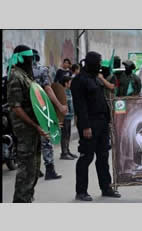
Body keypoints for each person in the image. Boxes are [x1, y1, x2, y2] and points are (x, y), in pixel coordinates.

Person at [71, 51, 121, 201]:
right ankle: (81, 191)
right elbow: (80, 106)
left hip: (102, 123)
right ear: (92, 63)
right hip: (89, 124)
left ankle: (106, 187)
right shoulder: (79, 80)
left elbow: (102, 99)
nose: (100, 66)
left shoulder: (96, 78)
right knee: (86, 157)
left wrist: (109, 119)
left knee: (103, 156)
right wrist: (85, 127)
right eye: (98, 63)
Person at [7, 45, 49, 202]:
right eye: (29, 58)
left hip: (33, 129)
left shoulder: (25, 75)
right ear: (21, 58)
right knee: (26, 169)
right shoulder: (15, 76)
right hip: (25, 130)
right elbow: (16, 107)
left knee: (34, 168)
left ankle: (28, 198)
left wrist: (46, 120)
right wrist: (35, 125)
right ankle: (20, 201)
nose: (31, 61)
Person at [32, 49, 64, 178]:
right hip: (41, 109)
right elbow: (48, 88)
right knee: (46, 139)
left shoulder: (17, 70)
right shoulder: (41, 70)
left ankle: (34, 169)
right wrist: (59, 105)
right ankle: (49, 170)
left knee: (31, 141)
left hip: (25, 112)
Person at [60, 76, 78, 159]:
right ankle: (64, 153)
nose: (71, 84)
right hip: (64, 117)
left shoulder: (69, 91)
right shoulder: (62, 92)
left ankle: (67, 150)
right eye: (70, 82)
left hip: (69, 116)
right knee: (64, 135)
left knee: (68, 135)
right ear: (66, 83)